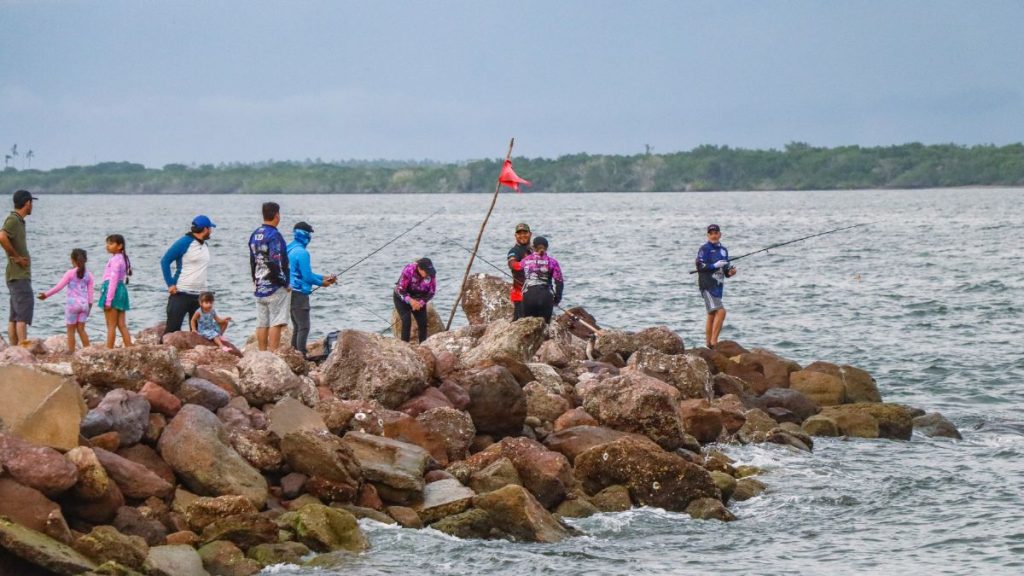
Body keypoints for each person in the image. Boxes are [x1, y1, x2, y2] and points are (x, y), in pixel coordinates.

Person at [287, 221, 337, 356]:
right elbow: (307, 277)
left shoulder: (289, 249)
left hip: (289, 292)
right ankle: (301, 354)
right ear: (305, 235)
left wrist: (323, 277)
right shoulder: (302, 252)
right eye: (309, 233)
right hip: (299, 294)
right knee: (304, 326)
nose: (310, 236)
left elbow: (301, 273)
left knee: (297, 326)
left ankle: (294, 353)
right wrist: (323, 283)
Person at [161, 215, 215, 334]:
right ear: (205, 229)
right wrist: (170, 284)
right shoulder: (184, 242)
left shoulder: (205, 245)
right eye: (210, 228)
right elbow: (165, 261)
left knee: (199, 333)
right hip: (181, 293)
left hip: (200, 296)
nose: (211, 231)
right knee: (172, 331)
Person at [248, 202, 290, 351]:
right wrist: (284, 281)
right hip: (274, 286)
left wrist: (255, 280)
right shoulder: (274, 235)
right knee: (276, 322)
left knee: (262, 322)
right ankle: (272, 354)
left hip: (260, 284)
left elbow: (253, 260)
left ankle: (262, 352)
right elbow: (275, 261)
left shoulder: (255, 234)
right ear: (276, 215)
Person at [37, 248, 93, 353]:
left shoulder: (70, 273)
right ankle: (88, 352)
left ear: (72, 260)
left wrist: (46, 295)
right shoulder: (89, 275)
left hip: (72, 305)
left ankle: (71, 352)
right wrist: (89, 307)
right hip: (84, 305)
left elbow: (59, 287)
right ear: (85, 260)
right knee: (81, 329)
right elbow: (91, 293)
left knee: (70, 330)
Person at [0, 189, 36, 345]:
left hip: (16, 275)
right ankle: (22, 348)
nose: (32, 206)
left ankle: (14, 349)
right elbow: (2, 236)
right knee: (22, 314)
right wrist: (16, 257)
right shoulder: (13, 220)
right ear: (27, 203)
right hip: (18, 275)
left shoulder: (18, 221)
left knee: (14, 315)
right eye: (31, 203)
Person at [695, 223, 737, 349]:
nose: (713, 236)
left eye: (716, 233)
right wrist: (714, 265)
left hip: (718, 286)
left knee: (712, 314)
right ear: (708, 235)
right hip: (707, 285)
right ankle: (714, 342)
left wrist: (730, 272)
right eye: (711, 233)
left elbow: (725, 270)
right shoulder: (705, 249)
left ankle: (708, 343)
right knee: (721, 311)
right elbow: (699, 265)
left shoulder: (724, 250)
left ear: (720, 234)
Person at [99, 234, 133, 348]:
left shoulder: (115, 260)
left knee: (111, 325)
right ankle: (129, 347)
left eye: (111, 243)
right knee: (122, 324)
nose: (107, 246)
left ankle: (109, 349)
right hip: (122, 289)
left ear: (120, 246)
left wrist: (108, 300)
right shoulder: (123, 258)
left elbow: (113, 280)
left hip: (112, 291)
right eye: (107, 243)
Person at [520, 236, 564, 324]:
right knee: (545, 327)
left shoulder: (524, 261)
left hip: (529, 296)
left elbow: (520, 276)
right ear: (547, 247)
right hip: (546, 297)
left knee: (528, 326)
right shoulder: (552, 262)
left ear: (533, 247)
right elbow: (559, 282)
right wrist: (557, 299)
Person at [393, 257, 436, 343]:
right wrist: (411, 301)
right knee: (406, 321)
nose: (429, 274)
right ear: (419, 269)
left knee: (423, 323)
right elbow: (400, 290)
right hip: (402, 298)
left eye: (430, 272)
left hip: (419, 298)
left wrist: (421, 302)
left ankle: (423, 346)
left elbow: (431, 292)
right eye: (426, 272)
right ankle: (404, 346)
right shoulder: (409, 270)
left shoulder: (431, 274)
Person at [507, 222, 533, 320]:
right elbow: (512, 264)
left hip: (534, 294)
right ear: (515, 236)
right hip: (520, 296)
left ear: (530, 234)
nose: (522, 235)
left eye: (525, 233)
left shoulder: (533, 249)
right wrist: (525, 264)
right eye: (519, 233)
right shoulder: (514, 251)